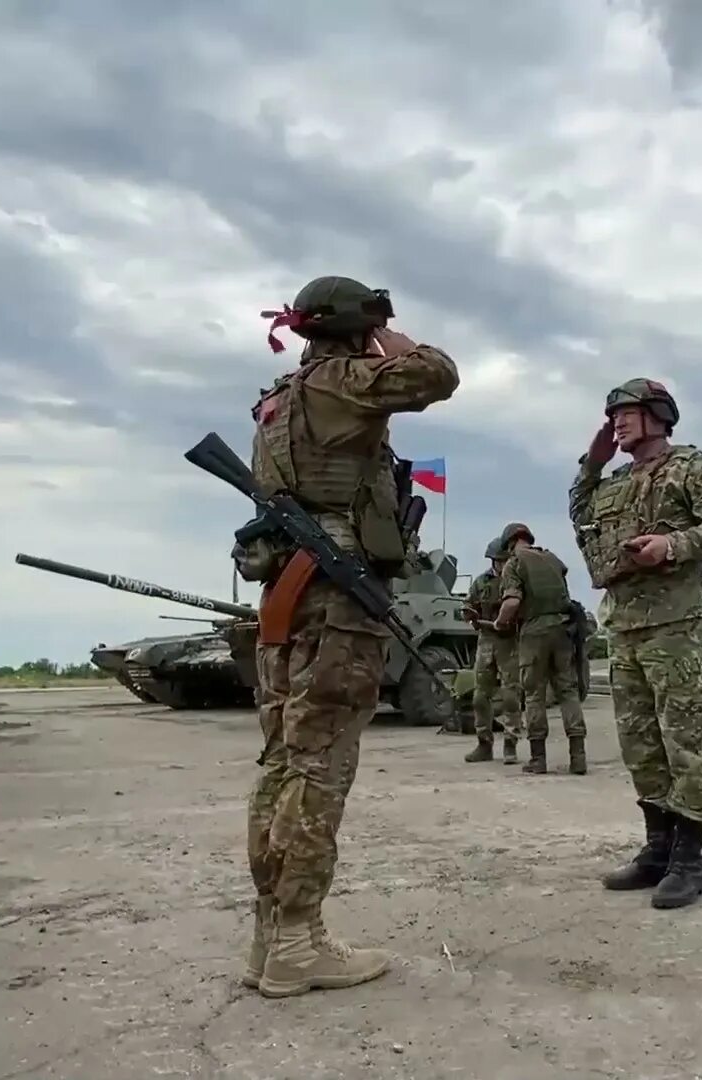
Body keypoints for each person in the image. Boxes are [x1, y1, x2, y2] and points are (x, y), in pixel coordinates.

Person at [237, 275, 457, 997]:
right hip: (334, 599)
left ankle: (271, 938)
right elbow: (437, 376)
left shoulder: (276, 400)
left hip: (287, 596)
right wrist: (401, 343)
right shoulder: (340, 381)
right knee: (319, 765)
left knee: (281, 764)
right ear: (361, 328)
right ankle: (299, 941)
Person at [570, 378, 702, 910]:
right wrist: (592, 464)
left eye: (627, 413)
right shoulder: (614, 482)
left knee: (686, 742)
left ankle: (689, 862)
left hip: (678, 626)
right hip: (624, 626)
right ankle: (657, 850)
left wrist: (673, 544)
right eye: (613, 415)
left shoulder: (692, 467)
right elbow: (581, 515)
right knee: (640, 743)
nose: (617, 422)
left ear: (659, 416)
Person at [493, 523, 588, 776]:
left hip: (534, 633)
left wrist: (500, 622)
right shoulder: (552, 559)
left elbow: (512, 601)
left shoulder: (514, 563)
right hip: (563, 630)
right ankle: (578, 758)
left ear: (509, 543)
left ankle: (538, 759)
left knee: (534, 694)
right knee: (568, 691)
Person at [461, 535, 523, 764]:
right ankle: (484, 743)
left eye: (504, 560)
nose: (500, 565)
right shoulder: (481, 582)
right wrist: (469, 613)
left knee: (510, 696)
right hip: (486, 641)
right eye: (496, 561)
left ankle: (510, 744)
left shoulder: (517, 581)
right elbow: (469, 603)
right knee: (480, 696)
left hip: (510, 642)